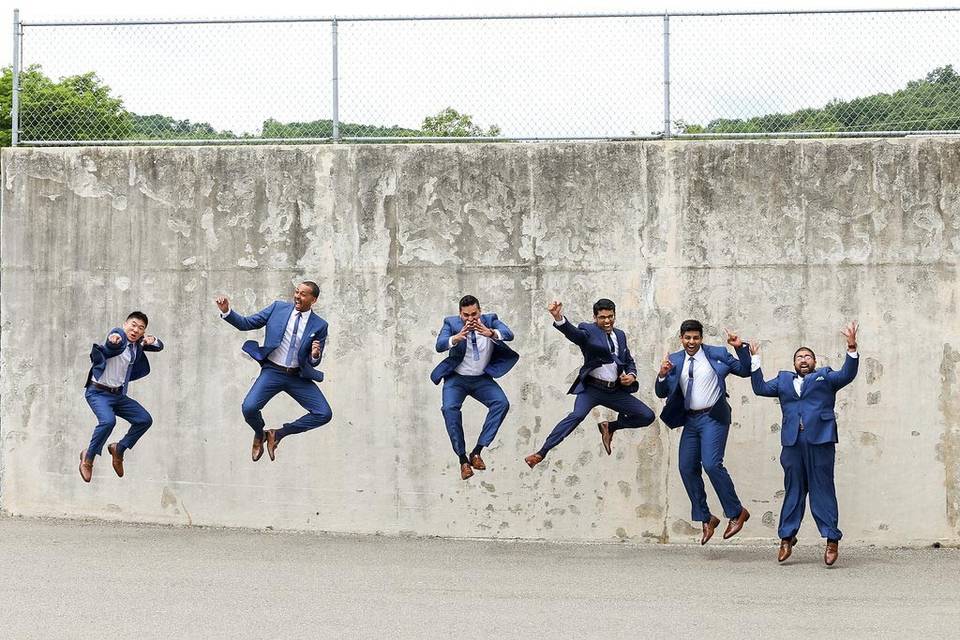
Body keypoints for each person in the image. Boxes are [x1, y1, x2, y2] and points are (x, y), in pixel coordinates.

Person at [750, 321, 860, 566]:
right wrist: (754, 359)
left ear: (814, 362)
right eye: (799, 356)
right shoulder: (783, 380)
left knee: (822, 488)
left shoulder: (826, 376)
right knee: (794, 489)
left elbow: (848, 374)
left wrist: (851, 347)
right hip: (792, 443)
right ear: (793, 363)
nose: (803, 359)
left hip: (820, 440)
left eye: (808, 356)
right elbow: (759, 388)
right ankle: (787, 537)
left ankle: (832, 539)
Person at [525, 299, 655, 468]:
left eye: (610, 316)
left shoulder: (620, 335)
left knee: (647, 416)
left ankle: (610, 427)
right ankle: (541, 453)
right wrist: (559, 318)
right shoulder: (589, 330)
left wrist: (631, 375)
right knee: (576, 416)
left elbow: (628, 359)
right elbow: (574, 334)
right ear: (595, 317)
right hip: (592, 390)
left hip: (614, 391)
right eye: (602, 317)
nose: (607, 321)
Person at [655, 319, 752, 544]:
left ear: (701, 338)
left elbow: (745, 370)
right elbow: (661, 393)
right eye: (687, 338)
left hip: (713, 417)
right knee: (686, 467)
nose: (691, 342)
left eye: (696, 338)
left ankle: (737, 512)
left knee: (711, 464)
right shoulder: (675, 360)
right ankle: (706, 518)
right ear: (681, 338)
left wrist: (739, 348)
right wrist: (662, 374)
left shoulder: (717, 354)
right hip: (690, 420)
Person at [216, 282, 331, 462]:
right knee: (249, 408)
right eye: (296, 292)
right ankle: (259, 433)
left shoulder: (320, 325)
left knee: (324, 413)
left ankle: (277, 434)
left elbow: (314, 361)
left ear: (313, 299)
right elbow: (247, 323)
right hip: (273, 371)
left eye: (303, 294)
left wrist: (315, 355)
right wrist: (227, 312)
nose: (297, 296)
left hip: (297, 376)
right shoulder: (278, 308)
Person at [431, 295, 519, 480]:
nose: (470, 319)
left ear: (480, 311)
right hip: (457, 380)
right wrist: (455, 338)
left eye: (474, 314)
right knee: (449, 409)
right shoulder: (451, 323)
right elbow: (439, 345)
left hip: (481, 380)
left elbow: (509, 334)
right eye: (466, 315)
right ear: (459, 314)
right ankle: (463, 459)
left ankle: (477, 452)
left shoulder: (490, 320)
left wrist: (491, 333)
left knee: (501, 403)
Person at [79, 311, 164, 482]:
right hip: (98, 392)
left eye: (140, 328)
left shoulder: (137, 345)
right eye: (133, 325)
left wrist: (152, 340)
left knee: (144, 419)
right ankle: (88, 458)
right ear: (125, 324)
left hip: (118, 395)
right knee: (108, 421)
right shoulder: (119, 335)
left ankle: (119, 448)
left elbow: (159, 346)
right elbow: (114, 339)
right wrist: (114, 340)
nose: (135, 330)